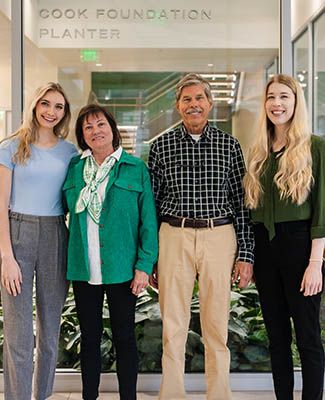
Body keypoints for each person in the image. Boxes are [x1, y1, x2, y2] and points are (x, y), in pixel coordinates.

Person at [148, 73, 254, 400]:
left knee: (216, 323)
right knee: (173, 324)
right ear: (178, 106)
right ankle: (172, 393)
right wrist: (149, 256)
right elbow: (150, 205)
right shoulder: (160, 146)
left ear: (210, 103)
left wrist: (246, 255)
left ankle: (219, 393)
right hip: (173, 235)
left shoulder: (229, 145)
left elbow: (241, 203)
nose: (193, 105)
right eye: (186, 99)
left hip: (219, 235)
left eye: (199, 99)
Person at [63, 103, 158, 400]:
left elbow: (148, 222)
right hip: (84, 268)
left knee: (125, 338)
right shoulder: (75, 168)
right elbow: (63, 208)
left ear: (112, 129)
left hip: (122, 269)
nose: (95, 131)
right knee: (90, 340)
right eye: (88, 127)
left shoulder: (135, 167)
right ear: (82, 135)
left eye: (100, 124)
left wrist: (144, 266)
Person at [243, 74, 325, 400]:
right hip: (265, 248)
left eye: (284, 97)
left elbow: (323, 210)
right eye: (271, 97)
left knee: (307, 337)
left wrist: (315, 263)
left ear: (295, 102)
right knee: (276, 337)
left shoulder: (316, 147)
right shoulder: (259, 152)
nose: (277, 104)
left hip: (301, 247)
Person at [0, 82, 77, 400]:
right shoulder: (11, 146)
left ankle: (42, 395)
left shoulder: (70, 151)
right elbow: (0, 204)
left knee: (49, 329)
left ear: (64, 112)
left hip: (56, 233)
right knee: (18, 331)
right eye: (46, 104)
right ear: (34, 105)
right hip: (17, 234)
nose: (51, 111)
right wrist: (6, 255)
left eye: (58, 106)